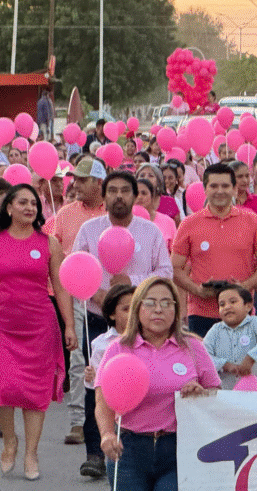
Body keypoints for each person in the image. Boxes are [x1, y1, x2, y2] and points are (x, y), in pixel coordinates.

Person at [72, 171, 173, 478]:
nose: (118, 196)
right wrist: (99, 294)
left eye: (125, 191)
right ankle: (95, 452)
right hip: (97, 318)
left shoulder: (150, 232)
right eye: (112, 190)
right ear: (104, 196)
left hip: (142, 322)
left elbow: (165, 273)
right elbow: (75, 268)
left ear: (135, 195)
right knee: (97, 385)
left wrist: (132, 284)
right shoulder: (89, 230)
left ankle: (133, 450)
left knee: (137, 384)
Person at [0, 184, 78, 481]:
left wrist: (69, 324)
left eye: (34, 203)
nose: (30, 208)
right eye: (23, 202)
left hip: (40, 326)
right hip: (2, 325)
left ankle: (31, 453)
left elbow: (60, 288)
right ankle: (10, 440)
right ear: (8, 208)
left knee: (34, 393)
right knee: (3, 388)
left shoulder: (49, 244)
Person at [95, 277, 221, 490]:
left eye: (166, 303)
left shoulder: (193, 347)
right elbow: (103, 400)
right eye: (150, 302)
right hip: (128, 449)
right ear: (138, 308)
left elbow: (216, 393)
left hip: (178, 449)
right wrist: (107, 434)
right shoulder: (118, 349)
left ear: (176, 309)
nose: (158, 310)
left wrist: (201, 394)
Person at [44, 157, 106, 446]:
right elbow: (49, 250)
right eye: (75, 179)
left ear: (98, 182)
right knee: (80, 359)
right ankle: (79, 421)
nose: (75, 184)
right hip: (76, 296)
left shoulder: (116, 212)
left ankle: (117, 419)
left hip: (116, 298)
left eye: (81, 180)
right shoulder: (65, 214)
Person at [172, 163, 257, 337]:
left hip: (241, 312)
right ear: (205, 189)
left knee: (241, 364)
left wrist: (243, 286)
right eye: (213, 186)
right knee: (206, 365)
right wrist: (197, 290)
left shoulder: (252, 221)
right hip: (201, 313)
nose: (220, 191)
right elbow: (174, 268)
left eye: (225, 186)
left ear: (235, 189)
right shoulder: (189, 224)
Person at [81, 284, 134, 477]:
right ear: (112, 314)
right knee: (95, 413)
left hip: (136, 404)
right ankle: (96, 455)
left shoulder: (150, 341)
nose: (132, 314)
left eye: (137, 307)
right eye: (126, 309)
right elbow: (93, 385)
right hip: (110, 400)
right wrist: (91, 377)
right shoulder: (102, 343)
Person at [202, 282, 257, 389]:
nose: (227, 307)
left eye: (233, 302)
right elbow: (203, 355)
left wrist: (251, 357)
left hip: (254, 390)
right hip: (225, 392)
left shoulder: (254, 323)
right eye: (222, 304)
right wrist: (223, 365)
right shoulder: (216, 330)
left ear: (248, 306)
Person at [135, 179, 177, 251]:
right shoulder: (124, 221)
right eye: (136, 193)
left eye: (144, 193)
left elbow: (176, 253)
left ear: (152, 196)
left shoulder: (168, 222)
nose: (139, 197)